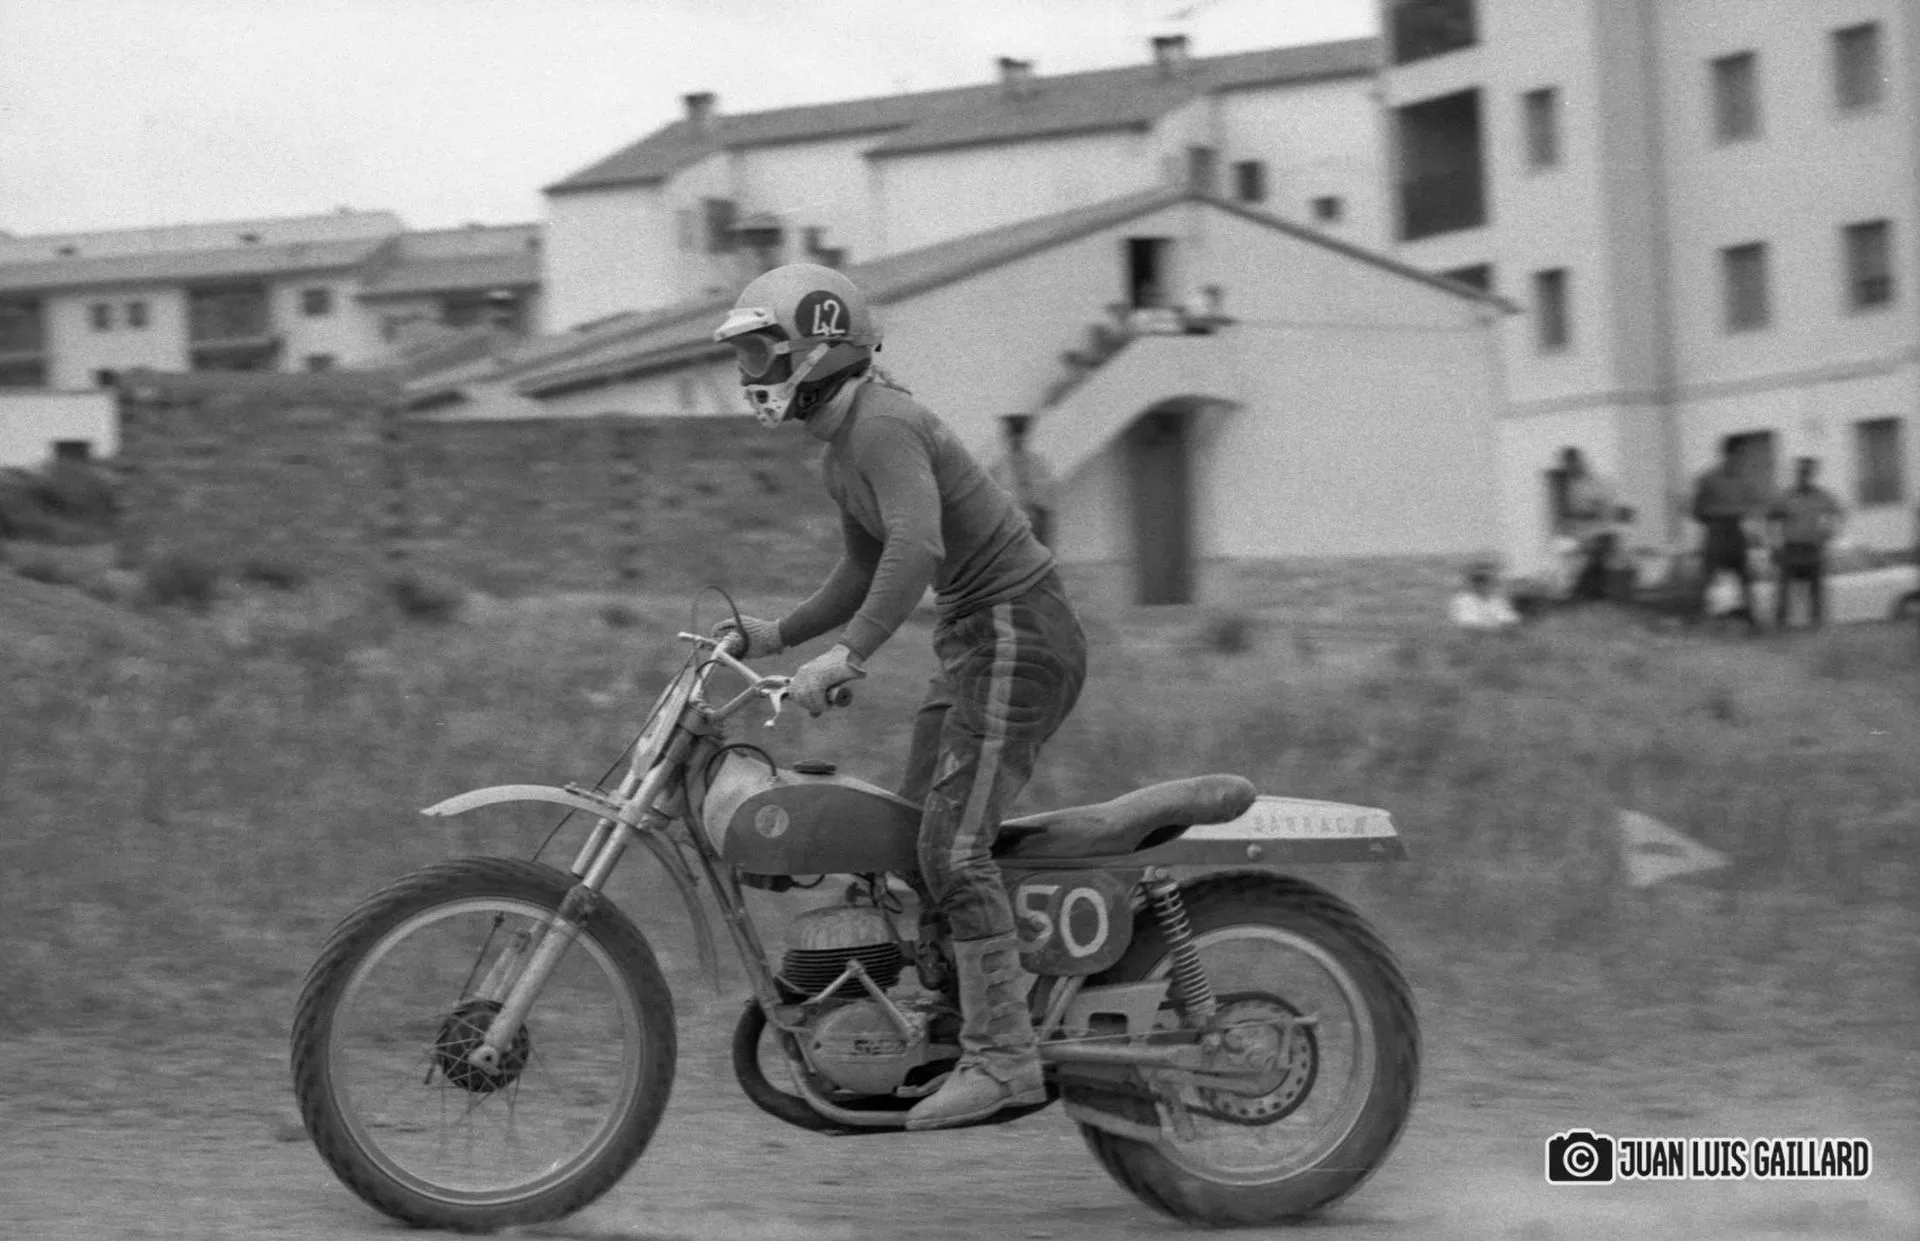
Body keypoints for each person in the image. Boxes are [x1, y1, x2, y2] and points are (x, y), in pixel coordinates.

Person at [707, 263, 1088, 1130]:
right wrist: (776, 635)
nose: (749, 372)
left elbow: (917, 547)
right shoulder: (843, 448)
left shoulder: (881, 424)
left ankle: (1004, 1057)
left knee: (954, 845)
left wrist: (849, 655)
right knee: (913, 834)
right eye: (746, 356)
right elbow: (864, 565)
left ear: (816, 347)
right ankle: (956, 1019)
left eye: (762, 352)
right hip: (977, 637)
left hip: (1019, 630)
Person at [1690, 440, 1762, 630]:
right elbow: (1696, 510)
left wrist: (1750, 526)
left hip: (1736, 532)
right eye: (1739, 454)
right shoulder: (1708, 479)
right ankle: (1699, 619)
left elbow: (1753, 506)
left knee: (1744, 578)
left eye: (1743, 456)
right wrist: (1718, 514)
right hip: (1716, 532)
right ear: (1728, 454)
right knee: (1707, 579)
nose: (1741, 460)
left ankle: (1751, 620)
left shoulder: (1744, 481)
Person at [1767, 456, 1844, 628]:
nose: (1804, 474)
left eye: (1807, 471)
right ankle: (1780, 627)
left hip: (1812, 549)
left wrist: (1828, 533)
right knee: (1783, 592)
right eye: (1801, 471)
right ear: (1796, 473)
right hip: (1791, 549)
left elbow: (1839, 514)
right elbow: (1771, 521)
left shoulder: (1822, 496)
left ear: (1813, 473)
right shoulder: (1785, 497)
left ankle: (1816, 627)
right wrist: (1774, 546)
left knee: (1816, 593)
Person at [1554, 448, 1625, 602]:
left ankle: (1592, 594)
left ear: (1579, 461)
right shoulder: (1568, 485)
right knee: (1579, 568)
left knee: (1596, 567)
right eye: (1567, 464)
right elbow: (1566, 514)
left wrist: (1588, 514)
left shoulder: (1596, 483)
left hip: (1599, 534)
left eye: (1572, 463)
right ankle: (1583, 594)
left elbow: (1605, 510)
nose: (1570, 467)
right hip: (1579, 536)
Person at [987, 415, 1059, 548]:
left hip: (1034, 526)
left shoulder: (1038, 464)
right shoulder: (997, 467)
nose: (1015, 442)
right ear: (1006, 437)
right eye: (1012, 437)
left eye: (1019, 437)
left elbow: (1047, 498)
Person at [1449, 558, 1520, 632]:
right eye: (1480, 580)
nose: (1485, 584)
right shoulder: (1462, 600)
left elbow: (1511, 619)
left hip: (1497, 635)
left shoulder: (1496, 599)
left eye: (1490, 580)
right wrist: (1497, 625)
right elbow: (1469, 625)